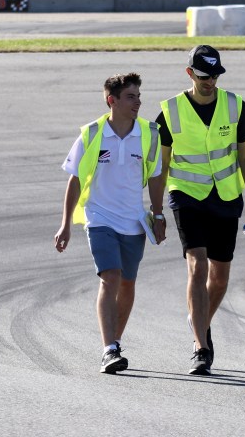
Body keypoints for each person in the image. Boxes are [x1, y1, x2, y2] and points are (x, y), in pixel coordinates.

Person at [156, 45, 245, 376]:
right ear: (189, 73)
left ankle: (199, 320)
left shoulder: (236, 106)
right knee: (197, 267)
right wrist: (156, 210)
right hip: (186, 197)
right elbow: (160, 166)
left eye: (216, 75)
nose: (211, 82)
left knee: (220, 279)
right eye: (204, 76)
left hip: (227, 199)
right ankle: (201, 347)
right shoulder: (169, 112)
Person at [54, 73, 166, 374]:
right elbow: (75, 181)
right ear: (111, 100)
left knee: (128, 284)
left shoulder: (149, 134)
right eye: (131, 96)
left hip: (133, 222)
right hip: (99, 219)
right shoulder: (91, 134)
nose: (138, 101)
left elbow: (156, 178)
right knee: (111, 278)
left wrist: (158, 214)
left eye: (139, 95)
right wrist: (65, 224)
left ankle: (115, 341)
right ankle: (109, 349)